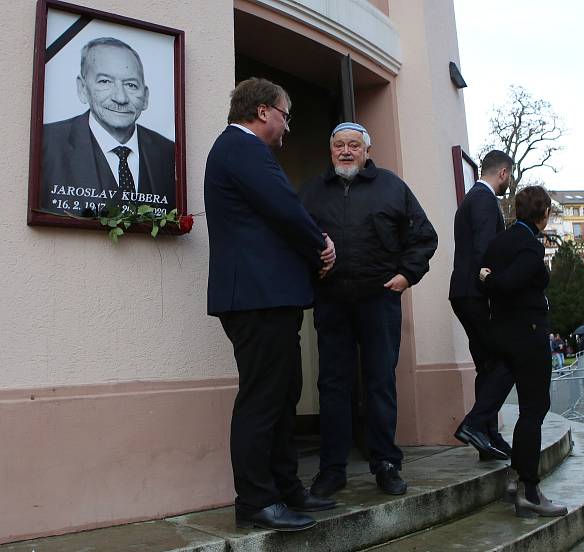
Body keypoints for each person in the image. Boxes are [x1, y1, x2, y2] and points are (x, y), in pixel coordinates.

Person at [205, 78, 336, 531]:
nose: (286, 126)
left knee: (284, 397)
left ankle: (287, 489)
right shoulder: (241, 148)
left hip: (269, 296)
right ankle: (256, 502)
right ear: (263, 112)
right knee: (263, 400)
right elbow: (284, 208)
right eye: (285, 115)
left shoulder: (242, 151)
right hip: (255, 297)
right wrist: (321, 246)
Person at [301, 122, 438, 498]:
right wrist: (311, 272)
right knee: (332, 385)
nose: (346, 151)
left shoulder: (392, 187)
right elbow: (294, 240)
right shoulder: (312, 192)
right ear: (331, 151)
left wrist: (407, 275)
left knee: (379, 383)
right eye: (339, 145)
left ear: (366, 151)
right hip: (331, 302)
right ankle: (332, 469)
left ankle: (385, 464)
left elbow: (425, 236)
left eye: (354, 146)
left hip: (379, 299)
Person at [479, 186, 567, 518]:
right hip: (528, 335)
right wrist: (492, 281)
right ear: (543, 214)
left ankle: (518, 482)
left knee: (526, 410)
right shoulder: (530, 244)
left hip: (503, 332)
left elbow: (488, 274)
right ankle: (529, 489)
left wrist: (488, 278)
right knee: (534, 410)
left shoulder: (500, 241)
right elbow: (507, 282)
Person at [42, 37, 175, 216]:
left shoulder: (169, 153)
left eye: (131, 85)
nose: (120, 98)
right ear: (82, 88)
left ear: (145, 97)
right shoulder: (46, 143)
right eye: (105, 82)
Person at [449, 150, 514, 461]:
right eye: (509, 176)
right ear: (503, 172)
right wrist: (497, 286)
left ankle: (487, 436)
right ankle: (476, 426)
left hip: (463, 293)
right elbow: (486, 250)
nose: (508, 183)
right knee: (504, 360)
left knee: (487, 365)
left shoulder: (471, 198)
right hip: (476, 294)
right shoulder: (485, 200)